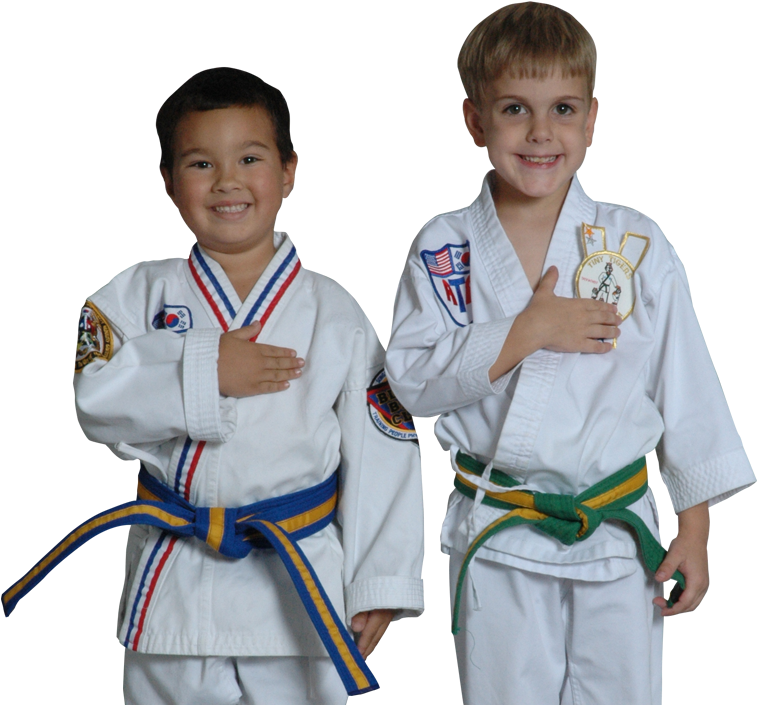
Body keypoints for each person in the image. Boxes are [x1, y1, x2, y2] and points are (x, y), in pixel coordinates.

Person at [4, 67, 424, 705]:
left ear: (287, 172)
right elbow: (95, 401)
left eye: (249, 158)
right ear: (169, 184)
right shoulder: (135, 296)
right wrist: (204, 371)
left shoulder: (333, 310)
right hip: (175, 590)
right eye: (201, 164)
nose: (227, 181)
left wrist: (378, 584)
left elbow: (382, 450)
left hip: (298, 589)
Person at [384, 4, 752, 704]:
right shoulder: (442, 245)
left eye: (561, 108)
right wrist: (524, 331)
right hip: (496, 529)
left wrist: (694, 528)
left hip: (616, 530)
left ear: (590, 120)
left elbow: (686, 387)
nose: (540, 132)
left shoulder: (634, 240)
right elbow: (410, 386)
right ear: (473, 122)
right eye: (515, 108)